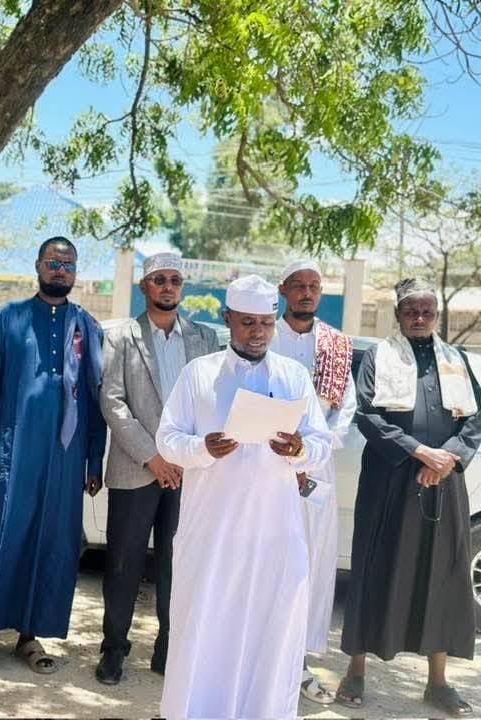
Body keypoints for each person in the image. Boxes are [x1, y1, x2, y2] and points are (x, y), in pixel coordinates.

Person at [155, 274, 333, 720]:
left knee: (268, 631)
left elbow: (322, 444)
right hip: (212, 534)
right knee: (206, 627)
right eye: (248, 322)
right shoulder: (199, 374)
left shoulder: (293, 376)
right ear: (227, 318)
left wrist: (299, 450)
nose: (258, 332)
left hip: (274, 535)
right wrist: (202, 448)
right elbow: (167, 439)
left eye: (266, 323)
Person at [0, 236, 107, 680]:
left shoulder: (87, 326)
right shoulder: (9, 317)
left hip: (66, 456)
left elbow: (97, 396)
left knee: (53, 542)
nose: (61, 271)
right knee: (1, 536)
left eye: (68, 265)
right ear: (38, 266)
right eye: (53, 263)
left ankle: (29, 635)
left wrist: (93, 459)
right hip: (14, 448)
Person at [337, 277, 480, 717]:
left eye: (427, 312)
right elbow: (366, 414)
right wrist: (418, 451)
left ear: (437, 316)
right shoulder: (378, 357)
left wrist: (447, 458)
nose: (419, 318)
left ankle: (437, 682)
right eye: (411, 311)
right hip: (390, 480)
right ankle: (355, 672)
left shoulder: (455, 359)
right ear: (398, 315)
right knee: (373, 569)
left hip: (443, 482)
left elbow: (475, 421)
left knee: (443, 576)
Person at [94, 251, 219, 685]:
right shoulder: (120, 337)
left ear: (182, 287)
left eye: (175, 280)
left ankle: (170, 649)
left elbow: (212, 402)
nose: (168, 287)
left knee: (178, 563)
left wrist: (186, 455)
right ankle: (114, 649)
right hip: (137, 467)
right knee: (123, 564)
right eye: (159, 279)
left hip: (189, 471)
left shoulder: (204, 338)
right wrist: (153, 457)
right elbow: (112, 401)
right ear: (144, 286)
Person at [273, 259, 356, 705]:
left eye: (315, 286)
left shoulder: (336, 345)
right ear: (283, 291)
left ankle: (298, 665)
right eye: (299, 285)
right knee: (267, 560)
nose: (307, 293)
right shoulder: (265, 334)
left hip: (316, 471)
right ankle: (263, 657)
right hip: (266, 468)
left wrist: (311, 450)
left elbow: (345, 411)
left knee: (311, 566)